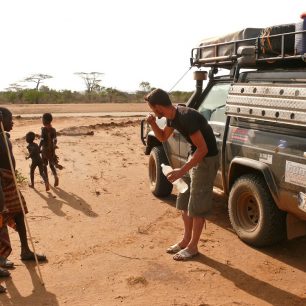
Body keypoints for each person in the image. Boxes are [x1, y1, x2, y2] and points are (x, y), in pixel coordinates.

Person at [145, 88, 219, 261]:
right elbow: (163, 137)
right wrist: (153, 124)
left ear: (158, 107)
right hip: (194, 157)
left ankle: (193, 247)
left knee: (197, 206)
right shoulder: (172, 118)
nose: (152, 112)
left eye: (152, 109)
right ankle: (186, 240)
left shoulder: (186, 116)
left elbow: (203, 149)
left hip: (206, 160)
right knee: (184, 199)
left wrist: (181, 170)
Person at [0, 107, 47, 271]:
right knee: (1, 220)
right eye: (9, 118)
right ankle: (1, 257)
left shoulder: (5, 137)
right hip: (1, 183)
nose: (12, 122)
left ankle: (25, 250)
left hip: (10, 182)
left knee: (19, 212)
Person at [39, 112, 62, 187]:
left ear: (44, 121)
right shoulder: (53, 130)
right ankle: (55, 176)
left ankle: (47, 181)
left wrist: (39, 148)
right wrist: (54, 145)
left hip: (44, 150)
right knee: (51, 163)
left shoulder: (43, 130)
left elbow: (42, 140)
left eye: (42, 119)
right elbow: (55, 139)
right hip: (51, 149)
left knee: (44, 165)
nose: (42, 120)